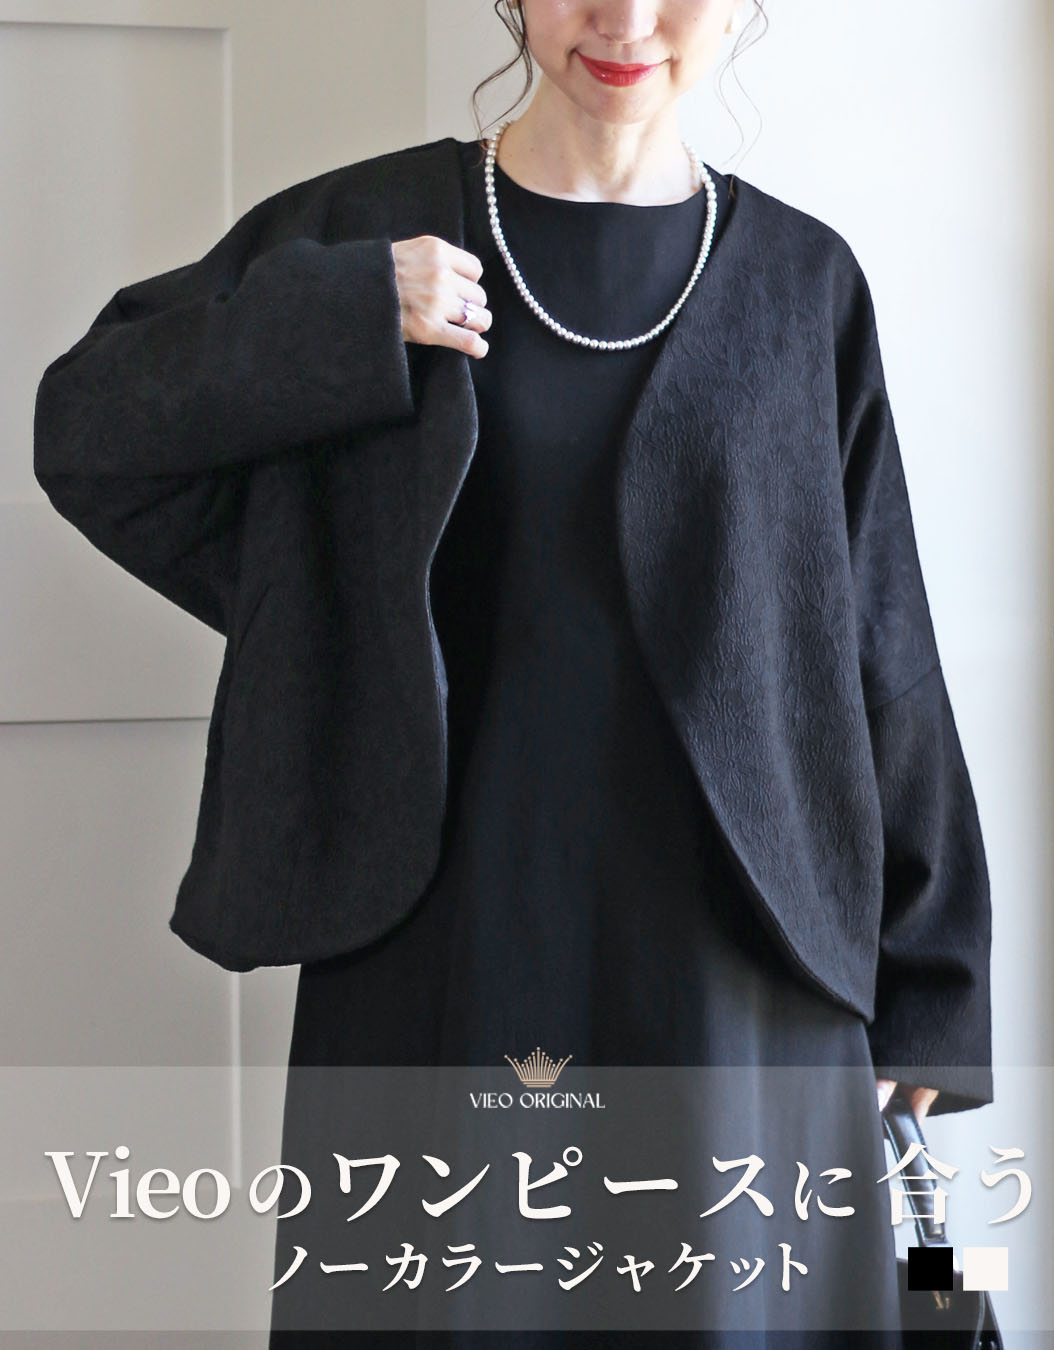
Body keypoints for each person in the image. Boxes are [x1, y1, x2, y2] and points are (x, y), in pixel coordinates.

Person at [33, 0, 993, 1343]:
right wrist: (348, 315)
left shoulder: (804, 284)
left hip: (741, 979)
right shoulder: (370, 231)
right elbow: (90, 425)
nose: (626, 19)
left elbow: (879, 640)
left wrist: (933, 983)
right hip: (443, 952)